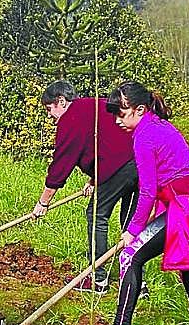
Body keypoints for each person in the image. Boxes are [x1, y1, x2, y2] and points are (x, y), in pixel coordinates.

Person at [87, 81, 189, 325]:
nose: (117, 121)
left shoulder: (144, 136)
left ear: (139, 109)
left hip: (184, 208)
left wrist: (132, 230)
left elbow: (148, 191)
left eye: (121, 113)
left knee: (130, 256)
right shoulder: (161, 126)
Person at [32, 81, 142, 295]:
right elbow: (108, 142)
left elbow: (61, 164)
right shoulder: (93, 105)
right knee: (131, 224)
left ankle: (98, 279)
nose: (49, 115)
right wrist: (94, 180)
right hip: (141, 162)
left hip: (121, 166)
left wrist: (43, 202)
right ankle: (136, 283)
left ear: (61, 102)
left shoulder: (71, 118)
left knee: (96, 215)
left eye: (49, 109)